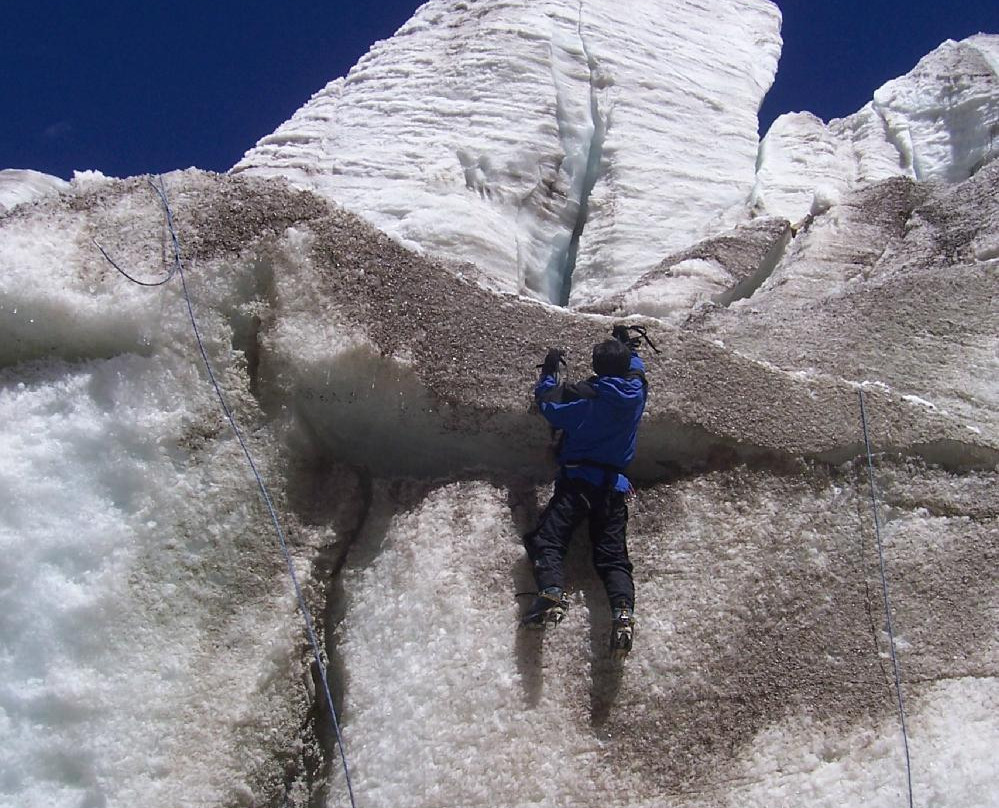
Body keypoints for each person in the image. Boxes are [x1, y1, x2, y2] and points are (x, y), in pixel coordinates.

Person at [521, 325, 649, 660]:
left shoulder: (584, 396)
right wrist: (628, 348)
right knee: (613, 557)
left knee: (548, 540)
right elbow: (636, 370)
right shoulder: (636, 393)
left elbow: (548, 404)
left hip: (578, 483)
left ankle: (551, 592)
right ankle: (622, 613)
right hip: (614, 488)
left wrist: (549, 371)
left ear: (595, 367)